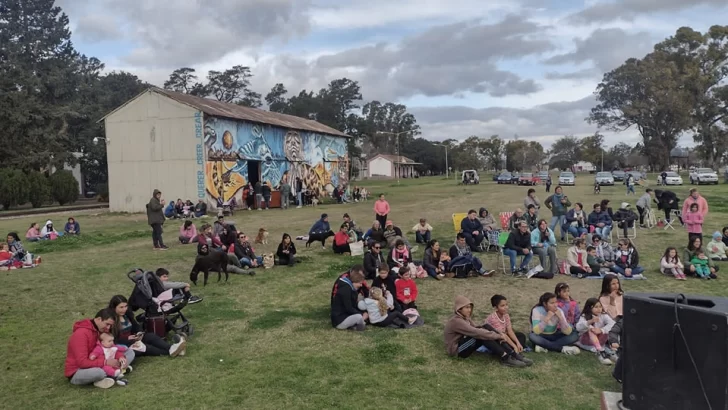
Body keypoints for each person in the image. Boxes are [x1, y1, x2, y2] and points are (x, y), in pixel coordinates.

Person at [444, 295, 530, 368]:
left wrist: (494, 332)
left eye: (470, 307)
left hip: (465, 342)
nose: (469, 310)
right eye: (466, 307)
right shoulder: (456, 321)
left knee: (485, 327)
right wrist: (499, 336)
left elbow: (476, 328)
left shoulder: (465, 318)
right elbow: (476, 332)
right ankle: (505, 357)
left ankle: (512, 354)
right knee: (482, 335)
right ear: (459, 309)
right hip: (457, 350)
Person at [65, 308, 135, 389]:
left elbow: (112, 348)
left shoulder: (100, 330)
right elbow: (82, 363)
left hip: (100, 362)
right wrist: (105, 362)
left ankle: (115, 372)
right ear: (99, 319)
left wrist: (121, 357)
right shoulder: (80, 334)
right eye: (107, 324)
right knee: (99, 372)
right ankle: (114, 373)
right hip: (78, 371)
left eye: (110, 325)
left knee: (129, 352)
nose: (108, 328)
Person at [108, 295, 187, 358]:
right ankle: (174, 351)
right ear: (114, 308)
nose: (124, 309)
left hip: (134, 339)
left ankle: (172, 348)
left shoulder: (127, 315)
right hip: (124, 345)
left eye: (126, 306)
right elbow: (113, 340)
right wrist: (127, 339)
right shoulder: (110, 320)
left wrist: (139, 333)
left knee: (151, 336)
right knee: (146, 347)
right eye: (121, 307)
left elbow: (136, 325)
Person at [576, 298, 616, 365]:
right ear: (589, 308)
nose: (599, 309)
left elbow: (613, 323)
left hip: (600, 341)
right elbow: (578, 328)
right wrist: (590, 322)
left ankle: (612, 353)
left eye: (600, 307)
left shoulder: (603, 315)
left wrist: (601, 330)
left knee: (608, 330)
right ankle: (600, 353)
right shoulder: (584, 316)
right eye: (596, 307)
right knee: (591, 330)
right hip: (586, 341)